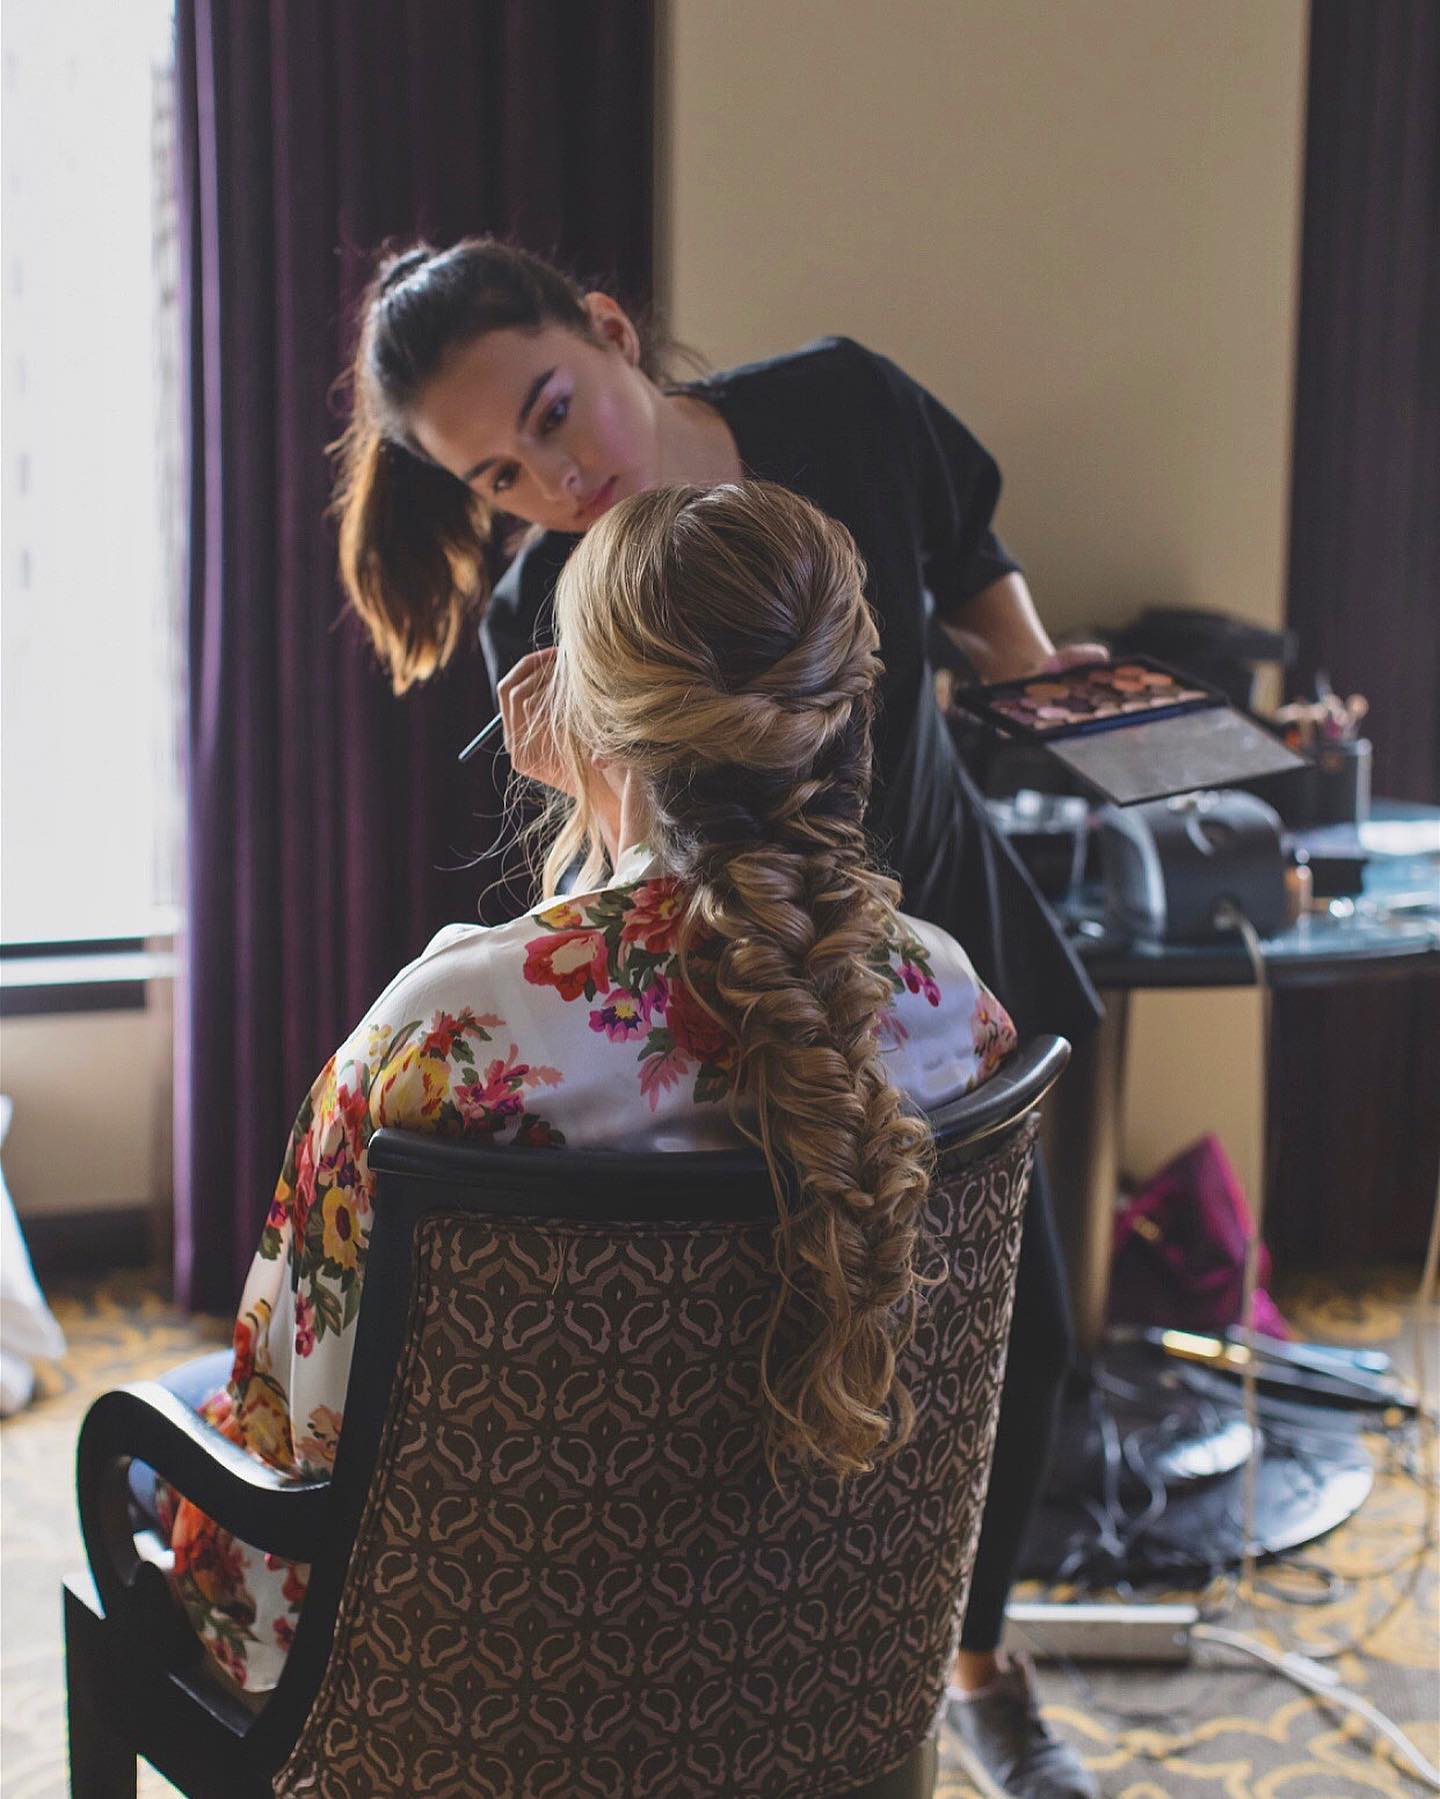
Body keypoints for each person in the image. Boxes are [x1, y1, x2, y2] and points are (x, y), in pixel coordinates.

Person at [332, 240, 1105, 1799]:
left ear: (613, 331)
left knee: (997, 1344)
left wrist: (1037, 676)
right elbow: (625, 875)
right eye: (500, 473)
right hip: (732, 1009)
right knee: (736, 1341)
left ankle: (958, 1652)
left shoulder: (843, 409)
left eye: (555, 411)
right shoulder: (542, 624)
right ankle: (782, 1660)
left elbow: (968, 548)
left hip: (923, 961)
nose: (555, 478)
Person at [167, 479, 1020, 1701]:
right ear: (832, 708)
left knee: (173, 1411)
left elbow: (303, 1420)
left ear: (586, 709)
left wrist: (590, 809)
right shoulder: (948, 999)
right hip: (809, 1652)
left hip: (474, 1686)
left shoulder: (448, 1031)